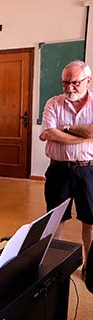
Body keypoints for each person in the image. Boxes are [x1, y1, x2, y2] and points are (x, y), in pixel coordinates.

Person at [39, 60, 93, 280]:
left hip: (87, 170)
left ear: (88, 81)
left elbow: (92, 131)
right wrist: (82, 135)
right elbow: (49, 134)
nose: (69, 88)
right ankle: (54, 266)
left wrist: (65, 130)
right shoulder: (53, 103)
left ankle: (91, 266)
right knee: (55, 220)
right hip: (58, 170)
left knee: (90, 222)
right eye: (65, 83)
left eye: (74, 83)